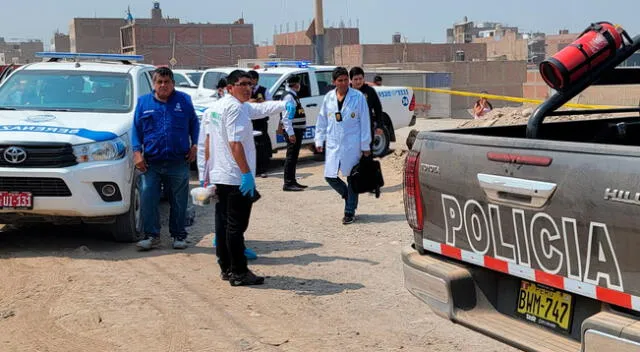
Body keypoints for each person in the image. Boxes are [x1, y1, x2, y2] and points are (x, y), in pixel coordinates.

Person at [205, 69, 294, 286]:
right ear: (230, 87)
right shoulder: (235, 108)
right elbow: (235, 144)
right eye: (242, 84)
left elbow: (258, 109)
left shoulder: (219, 106)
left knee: (224, 225)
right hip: (235, 177)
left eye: (250, 84)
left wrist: (284, 104)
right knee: (236, 227)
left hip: (221, 174)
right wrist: (246, 174)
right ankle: (239, 272)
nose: (248, 88)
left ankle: (226, 268)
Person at [132, 67, 199, 251]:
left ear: (173, 83)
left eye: (167, 82)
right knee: (148, 199)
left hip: (178, 161)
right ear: (153, 84)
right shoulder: (143, 102)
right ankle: (152, 236)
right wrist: (137, 152)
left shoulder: (184, 100)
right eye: (159, 82)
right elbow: (136, 129)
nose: (163, 85)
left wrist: (195, 145)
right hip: (151, 162)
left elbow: (194, 123)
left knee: (178, 201)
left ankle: (178, 235)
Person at [315, 67, 371, 225]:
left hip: (352, 143)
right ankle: (348, 196)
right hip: (334, 143)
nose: (344, 83)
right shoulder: (328, 98)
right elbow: (322, 120)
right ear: (334, 82)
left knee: (352, 177)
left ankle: (349, 211)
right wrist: (319, 140)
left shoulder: (358, 97)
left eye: (346, 80)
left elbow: (365, 122)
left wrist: (365, 146)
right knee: (330, 176)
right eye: (340, 80)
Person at [280, 75, 308, 192]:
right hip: (293, 131)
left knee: (294, 157)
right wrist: (291, 134)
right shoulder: (289, 98)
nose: (299, 85)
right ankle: (288, 183)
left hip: (296, 130)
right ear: (296, 84)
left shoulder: (292, 95)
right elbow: (286, 118)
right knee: (291, 157)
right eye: (298, 83)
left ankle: (292, 180)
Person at [349, 67, 384, 153]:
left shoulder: (370, 91)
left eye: (360, 79)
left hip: (367, 131)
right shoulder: (346, 92)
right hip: (350, 132)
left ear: (363, 78)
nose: (358, 81)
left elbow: (378, 109)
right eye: (355, 79)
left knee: (366, 158)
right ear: (351, 80)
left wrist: (379, 125)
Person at [248, 70, 272, 178]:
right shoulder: (246, 90)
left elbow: (269, 104)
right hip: (249, 121)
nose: (249, 82)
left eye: (250, 79)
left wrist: (260, 103)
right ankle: (252, 167)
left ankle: (262, 168)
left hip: (261, 121)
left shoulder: (264, 90)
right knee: (250, 144)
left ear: (255, 79)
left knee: (261, 144)